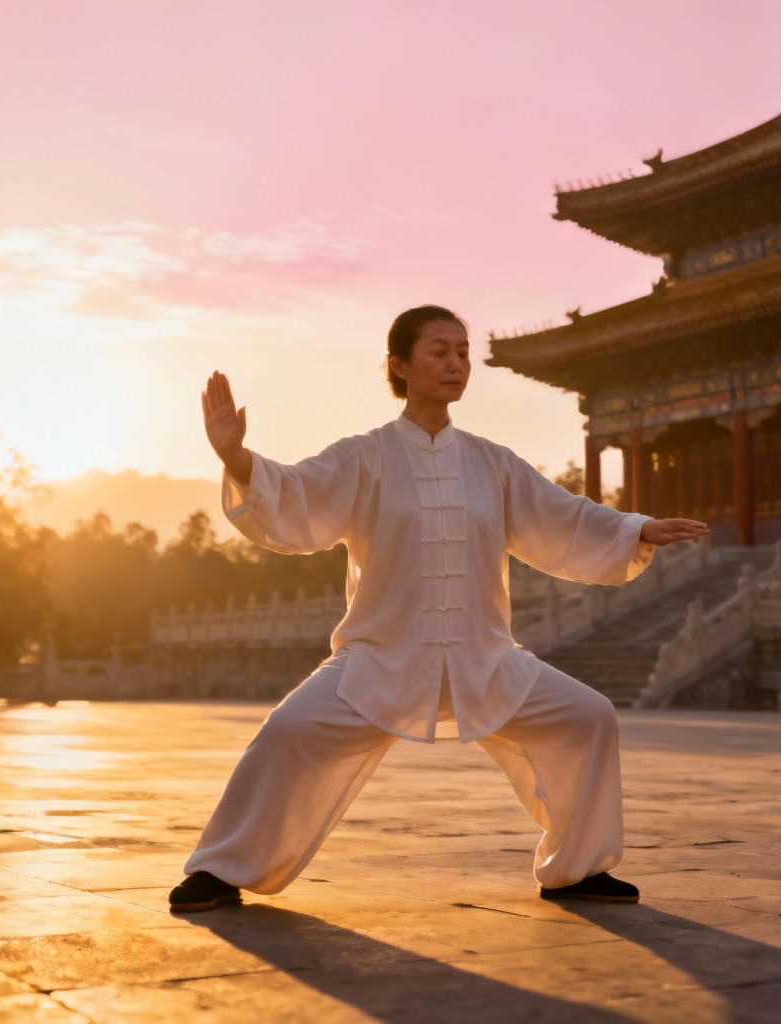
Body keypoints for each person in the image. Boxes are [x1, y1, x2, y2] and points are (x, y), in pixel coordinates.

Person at [169, 305, 708, 912]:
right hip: (382, 658)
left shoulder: (491, 461)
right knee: (289, 729)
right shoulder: (364, 456)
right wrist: (236, 457)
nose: (456, 364)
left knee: (588, 717)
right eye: (439, 352)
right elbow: (295, 495)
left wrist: (635, 529)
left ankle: (576, 869)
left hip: (485, 658)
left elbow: (562, 516)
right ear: (399, 365)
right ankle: (220, 870)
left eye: (463, 352)